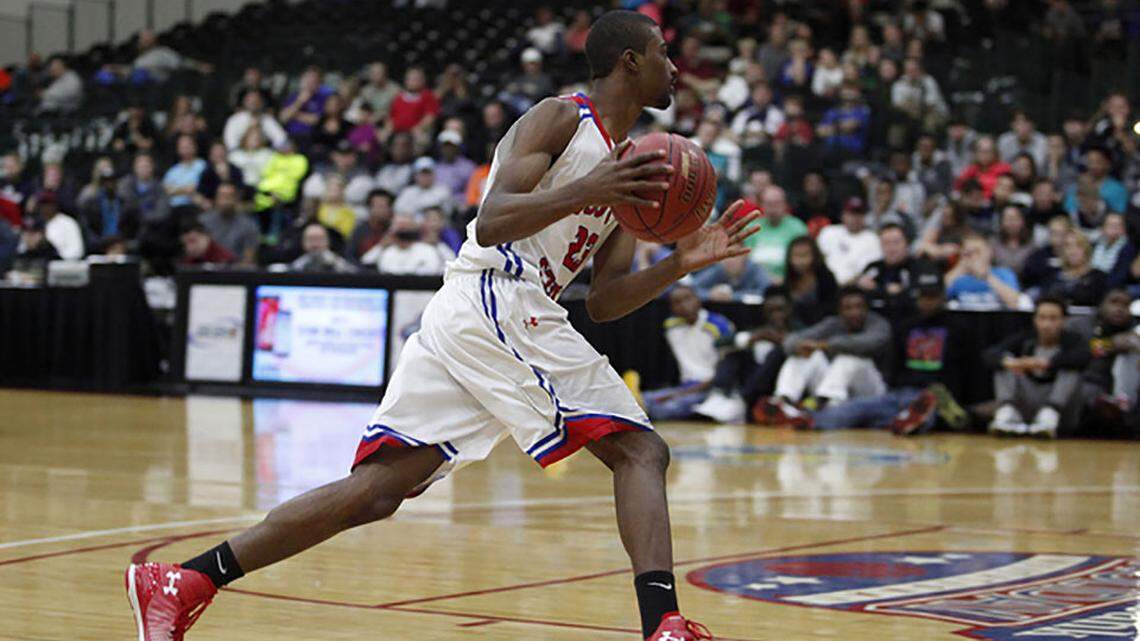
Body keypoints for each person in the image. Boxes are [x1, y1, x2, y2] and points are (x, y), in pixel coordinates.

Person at [127, 12, 760, 641]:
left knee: (377, 491)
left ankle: (185, 582)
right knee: (640, 448)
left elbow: (606, 302)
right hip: (495, 293)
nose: (673, 66)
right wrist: (588, 185)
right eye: (662, 52)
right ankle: (665, 627)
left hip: (493, 313)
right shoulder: (561, 118)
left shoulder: (633, 170)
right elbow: (492, 221)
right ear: (629, 61)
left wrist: (679, 262)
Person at [795, 273, 972, 434]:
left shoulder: (960, 327)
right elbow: (895, 365)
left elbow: (968, 370)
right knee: (857, 408)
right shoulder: (906, 327)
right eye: (923, 296)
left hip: (936, 396)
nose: (927, 302)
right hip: (899, 393)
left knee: (929, 415)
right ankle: (809, 419)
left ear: (943, 297)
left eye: (932, 297)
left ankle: (907, 420)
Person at [755, 287, 892, 426]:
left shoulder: (879, 324)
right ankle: (784, 403)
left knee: (848, 358)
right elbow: (792, 340)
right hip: (837, 394)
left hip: (872, 393)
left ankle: (823, 404)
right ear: (839, 311)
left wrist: (824, 345)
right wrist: (799, 346)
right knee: (806, 355)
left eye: (859, 307)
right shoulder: (833, 323)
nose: (854, 312)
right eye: (848, 308)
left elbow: (865, 343)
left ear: (867, 309)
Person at [985, 295, 1091, 437]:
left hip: (1061, 408)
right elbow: (990, 354)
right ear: (1035, 319)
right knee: (1005, 361)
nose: (1047, 325)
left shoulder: (1074, 341)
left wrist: (1047, 363)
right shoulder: (1025, 338)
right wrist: (1013, 363)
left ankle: (1049, 416)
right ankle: (1007, 413)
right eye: (1042, 318)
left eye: (1053, 319)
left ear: (1064, 320)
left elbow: (1083, 357)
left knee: (1071, 369)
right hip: (1027, 401)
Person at [695, 286, 795, 423]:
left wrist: (782, 342)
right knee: (735, 353)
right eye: (771, 311)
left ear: (789, 310)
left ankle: (741, 401)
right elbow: (719, 343)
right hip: (748, 383)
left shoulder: (800, 331)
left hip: (774, 389)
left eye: (780, 310)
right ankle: (718, 394)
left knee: (777, 353)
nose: (776, 315)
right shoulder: (758, 331)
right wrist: (752, 338)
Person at [641, 285, 734, 420]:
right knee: (641, 399)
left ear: (698, 300)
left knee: (665, 409)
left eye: (688, 299)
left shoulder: (719, 325)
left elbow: (725, 371)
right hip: (684, 386)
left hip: (710, 389)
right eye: (677, 302)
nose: (684, 305)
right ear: (671, 307)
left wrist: (678, 394)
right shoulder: (671, 327)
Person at [1071, 288, 1140, 431]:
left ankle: (1122, 403)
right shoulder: (1082, 324)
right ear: (1101, 304)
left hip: (1122, 387)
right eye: (1114, 302)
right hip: (1087, 381)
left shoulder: (1133, 326)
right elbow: (1082, 352)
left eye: (1125, 305)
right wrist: (1111, 344)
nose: (1119, 309)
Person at [858, 223, 932, 316]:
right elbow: (861, 291)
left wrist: (877, 289)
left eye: (896, 242)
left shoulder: (919, 267)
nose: (892, 248)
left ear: (907, 243)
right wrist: (887, 290)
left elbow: (918, 294)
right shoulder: (873, 268)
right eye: (886, 243)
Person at [743, 185, 807, 280]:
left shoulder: (798, 227)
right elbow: (744, 259)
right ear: (761, 205)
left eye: (777, 203)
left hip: (789, 281)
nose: (773, 208)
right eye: (768, 204)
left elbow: (803, 260)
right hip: (755, 280)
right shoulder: (751, 227)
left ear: (785, 204)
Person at [816, 197, 882, 285]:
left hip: (855, 288)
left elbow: (872, 269)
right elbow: (817, 258)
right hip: (825, 284)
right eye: (851, 214)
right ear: (843, 215)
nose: (855, 218)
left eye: (859, 214)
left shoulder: (873, 239)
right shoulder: (829, 232)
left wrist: (848, 284)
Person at [945, 234, 1022, 309]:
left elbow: (1014, 303)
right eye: (969, 253)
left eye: (977, 251)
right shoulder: (958, 278)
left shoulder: (1004, 274)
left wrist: (987, 277)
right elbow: (938, 299)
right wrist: (960, 268)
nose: (974, 256)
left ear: (989, 253)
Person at [360, 213, 447, 275]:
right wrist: (381, 246)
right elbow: (365, 262)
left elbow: (445, 266)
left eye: (407, 227)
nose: (404, 231)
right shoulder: (387, 251)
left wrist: (438, 244)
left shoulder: (427, 250)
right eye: (400, 228)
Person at [1041, 230, 1108, 307]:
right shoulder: (1053, 276)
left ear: (1086, 249)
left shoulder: (1099, 278)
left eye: (1078, 246)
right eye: (1068, 246)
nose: (1073, 251)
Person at [199, 183, 259, 266]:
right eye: (222, 196)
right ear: (216, 198)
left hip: (236, 272)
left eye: (229, 197)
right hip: (207, 270)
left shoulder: (249, 225)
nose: (225, 201)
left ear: (236, 199)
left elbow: (248, 259)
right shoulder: (203, 221)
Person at [784, 236, 839, 326]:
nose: (800, 261)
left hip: (823, 325)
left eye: (805, 255)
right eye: (796, 255)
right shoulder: (789, 279)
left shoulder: (826, 278)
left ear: (815, 256)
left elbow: (832, 310)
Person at [223, 89, 287, 151]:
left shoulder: (268, 120)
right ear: (244, 102)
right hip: (238, 156)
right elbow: (230, 143)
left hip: (264, 155)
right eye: (250, 101)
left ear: (262, 103)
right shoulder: (234, 120)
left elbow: (281, 139)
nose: (253, 103)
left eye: (256, 101)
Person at [690, 253, 770, 301]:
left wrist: (733, 296)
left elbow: (768, 291)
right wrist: (710, 294)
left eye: (734, 256)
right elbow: (691, 289)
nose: (730, 261)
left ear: (745, 256)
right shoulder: (719, 268)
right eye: (726, 256)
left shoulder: (754, 268)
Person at [32, 191, 84, 260]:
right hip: (40, 266)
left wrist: (56, 256)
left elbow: (77, 251)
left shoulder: (68, 223)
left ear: (54, 205)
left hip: (63, 266)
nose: (43, 208)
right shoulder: (37, 224)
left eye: (46, 204)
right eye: (41, 205)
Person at [346, 189, 394, 262]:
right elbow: (349, 256)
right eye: (379, 207)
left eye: (386, 207)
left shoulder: (394, 230)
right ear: (370, 208)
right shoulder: (360, 231)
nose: (383, 211)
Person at [1091, 212, 1135, 288]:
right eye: (1110, 225)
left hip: (1111, 287)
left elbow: (1120, 276)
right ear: (1102, 228)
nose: (1114, 228)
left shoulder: (1127, 248)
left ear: (1124, 229)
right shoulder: (1095, 244)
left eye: (1118, 225)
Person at [163, 135, 207, 209]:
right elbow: (166, 190)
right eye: (182, 146)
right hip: (174, 208)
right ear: (178, 149)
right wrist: (185, 189)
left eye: (188, 145)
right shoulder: (173, 170)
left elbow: (195, 187)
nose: (185, 148)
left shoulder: (203, 165)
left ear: (195, 147)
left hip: (195, 206)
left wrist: (175, 190)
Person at [992, 205, 1035, 276]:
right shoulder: (992, 243)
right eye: (1008, 219)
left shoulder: (1032, 246)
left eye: (1015, 219)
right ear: (1001, 223)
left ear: (1023, 221)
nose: (1012, 223)